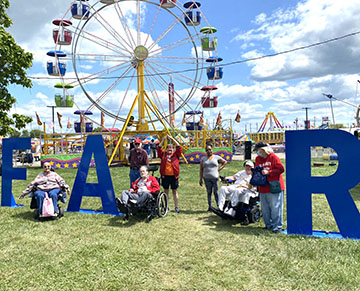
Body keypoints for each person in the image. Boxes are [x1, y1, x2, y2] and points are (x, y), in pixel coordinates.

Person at [254, 142, 285, 233]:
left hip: (274, 186)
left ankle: (277, 226)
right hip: (263, 187)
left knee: (275, 207)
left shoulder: (273, 157)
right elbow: (257, 169)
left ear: (263, 150)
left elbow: (281, 169)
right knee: (265, 208)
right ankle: (268, 224)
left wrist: (269, 172)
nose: (257, 153)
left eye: (258, 151)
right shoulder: (258, 159)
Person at [157, 134, 182, 213]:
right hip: (165, 176)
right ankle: (166, 206)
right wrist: (163, 140)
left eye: (171, 148)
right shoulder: (163, 155)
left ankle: (176, 207)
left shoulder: (176, 155)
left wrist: (172, 139)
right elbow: (158, 148)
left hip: (174, 176)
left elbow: (179, 146)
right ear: (166, 149)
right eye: (168, 148)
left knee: (174, 191)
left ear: (173, 149)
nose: (170, 149)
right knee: (166, 191)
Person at [199, 144, 227, 212]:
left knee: (216, 192)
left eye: (210, 149)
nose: (209, 151)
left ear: (212, 150)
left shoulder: (216, 157)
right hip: (206, 178)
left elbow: (225, 162)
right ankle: (210, 207)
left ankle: (219, 206)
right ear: (206, 151)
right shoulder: (203, 159)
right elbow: (201, 169)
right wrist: (200, 179)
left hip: (215, 178)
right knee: (209, 192)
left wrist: (219, 169)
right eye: (207, 150)